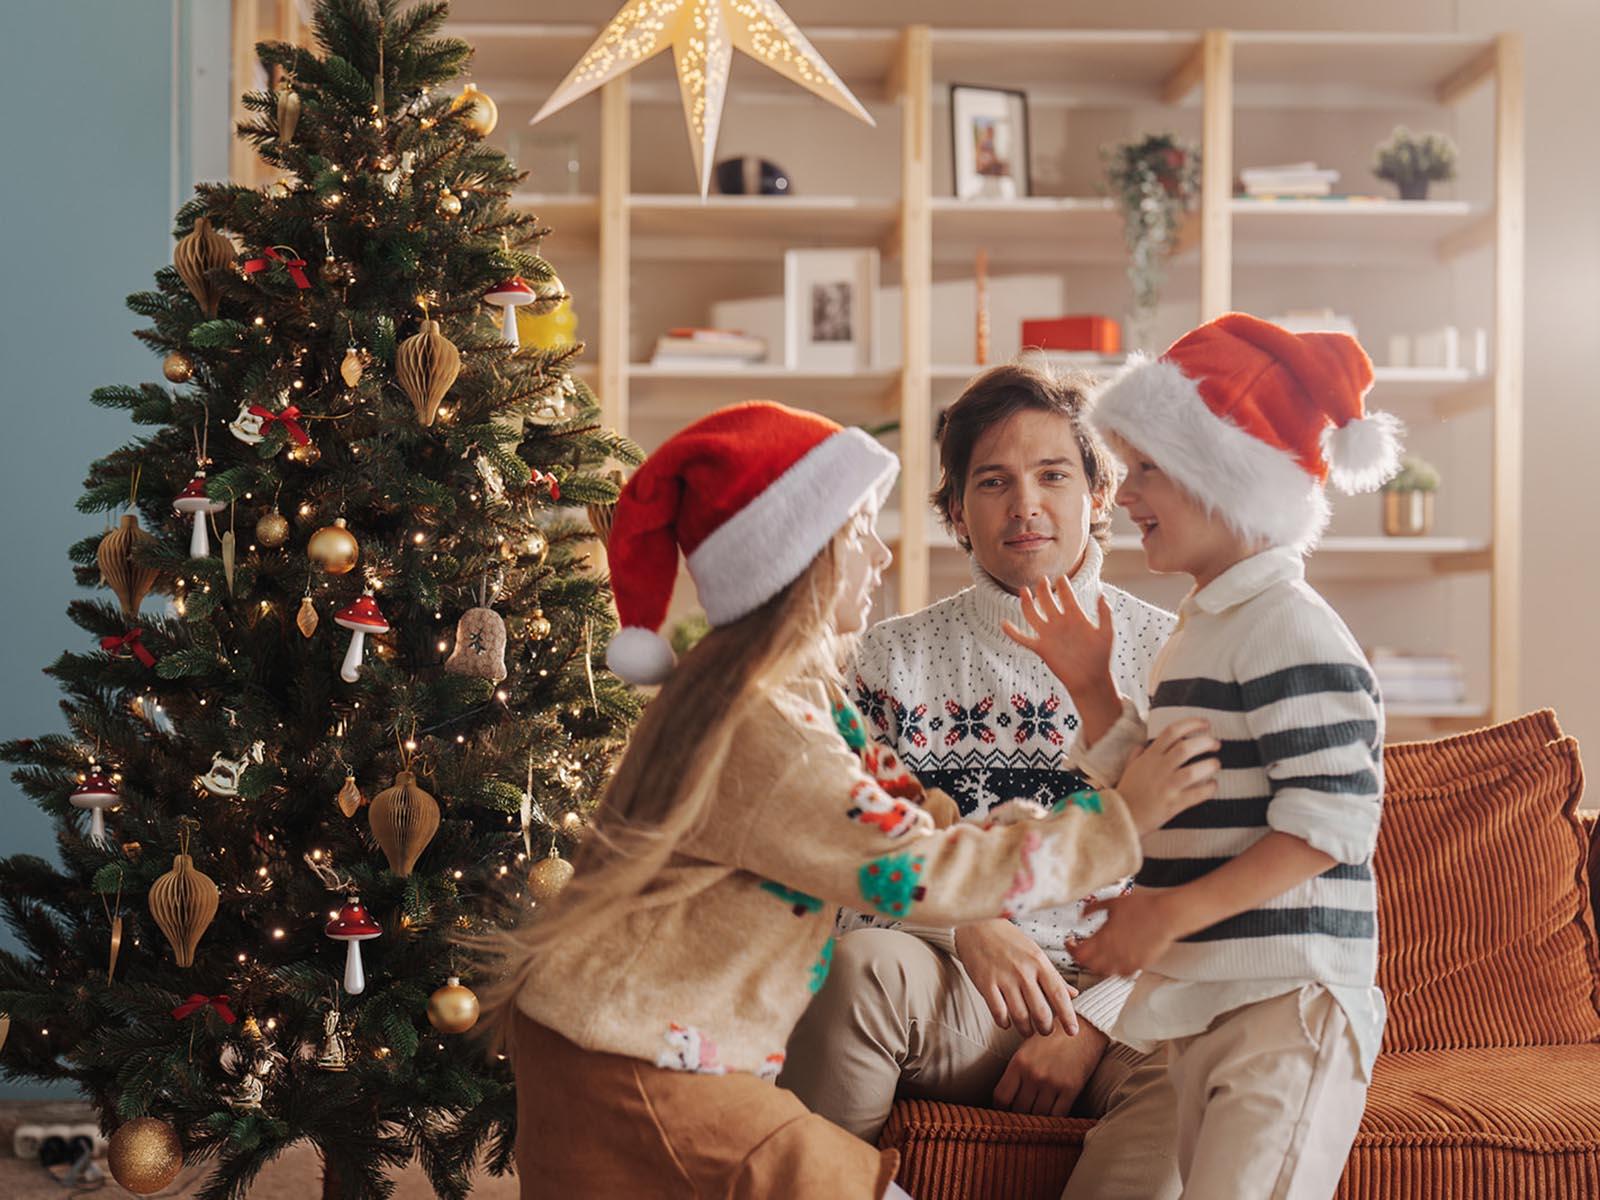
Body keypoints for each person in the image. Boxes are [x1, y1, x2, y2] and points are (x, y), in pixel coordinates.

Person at [480, 401, 1211, 1199]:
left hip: (633, 1047)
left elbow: (897, 818)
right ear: (808, 557)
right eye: (861, 533)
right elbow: (903, 867)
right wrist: (1119, 822)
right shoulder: (773, 727)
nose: (883, 553)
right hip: (638, 1067)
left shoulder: (780, 693)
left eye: (1053, 475)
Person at [780, 366, 1203, 1200]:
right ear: (954, 513)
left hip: (1126, 1006)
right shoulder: (884, 661)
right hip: (955, 997)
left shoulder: (1175, 652)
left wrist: (1091, 1021)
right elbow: (838, 861)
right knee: (859, 970)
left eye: (1054, 476)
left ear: (1101, 495)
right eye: (993, 482)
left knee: (1210, 1056)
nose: (1027, 506)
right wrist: (963, 920)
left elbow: (1209, 879)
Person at [1004, 313, 1398, 1200]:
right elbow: (1165, 789)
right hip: (1216, 1001)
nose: (1125, 488)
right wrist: (1095, 689)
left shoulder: (1290, 628)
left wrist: (1164, 916)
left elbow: (1329, 824)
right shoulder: (1207, 627)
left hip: (1288, 1004)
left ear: (1233, 479)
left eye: (1149, 467)